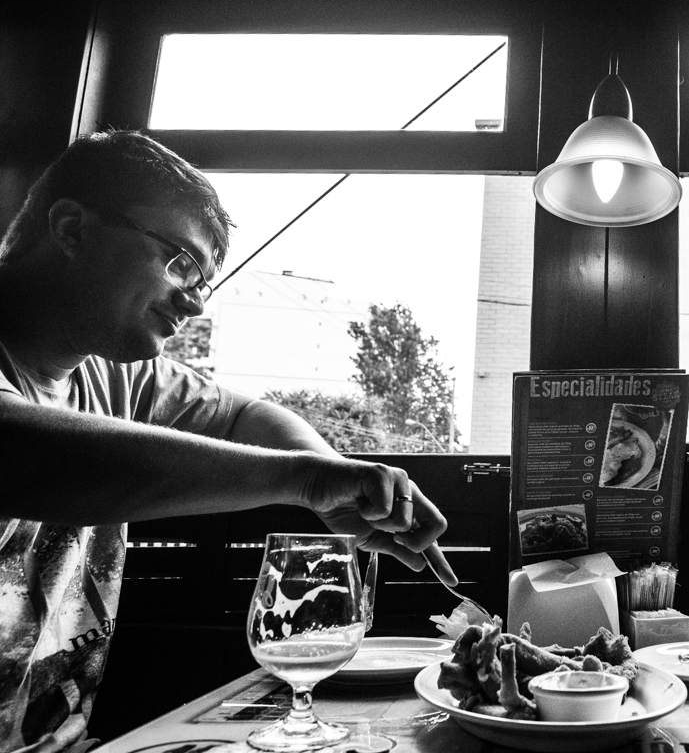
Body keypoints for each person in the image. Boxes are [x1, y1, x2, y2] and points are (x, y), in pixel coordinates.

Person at [0, 131, 456, 753]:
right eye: (182, 263)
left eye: (204, 283)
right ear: (72, 227)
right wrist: (308, 481)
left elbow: (244, 414)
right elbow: (27, 456)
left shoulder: (117, 376)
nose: (193, 305)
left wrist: (335, 479)